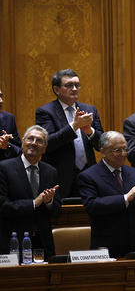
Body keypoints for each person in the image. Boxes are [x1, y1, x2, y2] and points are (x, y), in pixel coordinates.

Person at [77, 131, 135, 258]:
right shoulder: (88, 176)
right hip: (106, 245)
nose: (123, 154)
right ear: (103, 151)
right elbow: (92, 206)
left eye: (125, 149)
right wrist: (125, 198)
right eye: (118, 150)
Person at [35, 69, 104, 197]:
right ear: (56, 90)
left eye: (77, 85)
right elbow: (47, 143)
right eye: (69, 85)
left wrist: (90, 131)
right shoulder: (45, 112)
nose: (74, 89)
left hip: (88, 173)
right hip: (59, 176)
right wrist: (74, 126)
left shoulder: (90, 109)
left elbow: (102, 145)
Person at [0, 125, 60, 257]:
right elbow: (3, 206)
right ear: (22, 143)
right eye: (30, 139)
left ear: (44, 148)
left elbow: (57, 210)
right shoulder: (4, 168)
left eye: (39, 141)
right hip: (13, 242)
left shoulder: (51, 172)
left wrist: (49, 201)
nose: (33, 143)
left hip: (43, 242)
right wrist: (33, 203)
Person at [0, 88, 21, 160]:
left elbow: (19, 150)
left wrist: (7, 146)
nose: (1, 101)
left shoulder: (9, 118)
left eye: (1, 96)